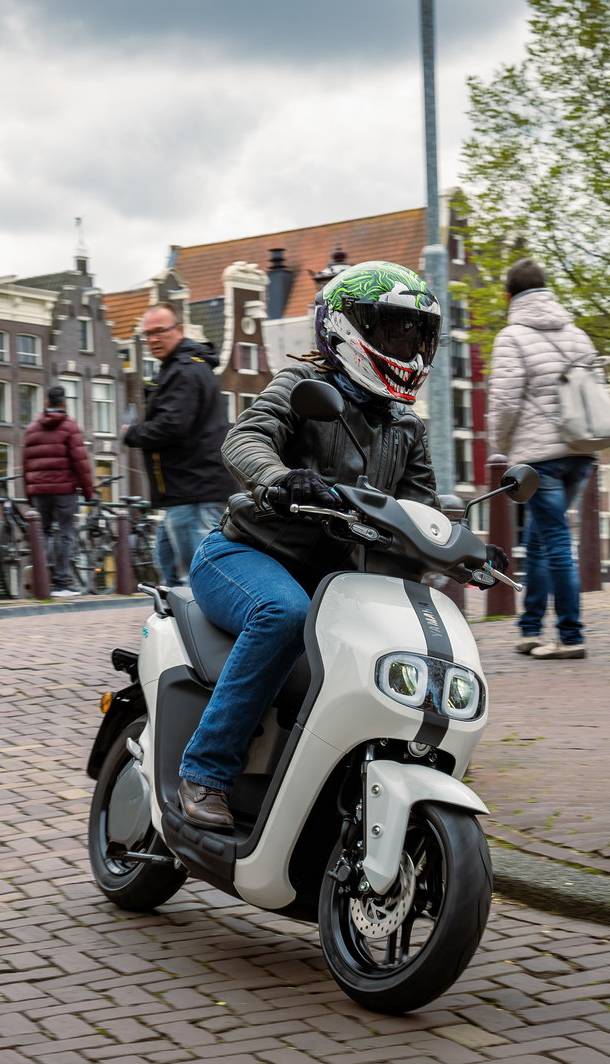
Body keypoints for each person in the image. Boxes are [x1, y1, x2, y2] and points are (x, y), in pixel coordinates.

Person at [177, 262, 441, 830]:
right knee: (283, 613)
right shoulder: (299, 388)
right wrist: (278, 479)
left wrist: (461, 545)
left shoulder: (407, 426)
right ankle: (205, 771)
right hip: (244, 555)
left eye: (418, 334)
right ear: (349, 329)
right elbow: (244, 438)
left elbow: (422, 508)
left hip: (332, 580)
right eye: (396, 331)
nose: (409, 347)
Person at [485, 257, 599, 661]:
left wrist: (499, 445)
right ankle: (530, 629)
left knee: (553, 542)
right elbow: (596, 387)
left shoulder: (512, 337)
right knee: (537, 540)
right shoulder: (578, 334)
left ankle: (571, 635)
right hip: (580, 451)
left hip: (540, 457)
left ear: (509, 295)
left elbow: (504, 399)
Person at [122, 302, 236, 585]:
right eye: (147, 334)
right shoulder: (179, 368)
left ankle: (209, 627)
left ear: (180, 330)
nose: (153, 340)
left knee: (195, 580)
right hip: (185, 492)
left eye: (160, 331)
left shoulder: (184, 371)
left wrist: (132, 432)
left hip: (194, 491)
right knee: (171, 575)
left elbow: (172, 425)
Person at [22, 385, 95, 598]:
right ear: (64, 403)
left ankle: (42, 581)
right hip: (64, 490)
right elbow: (81, 462)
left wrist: (29, 493)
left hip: (39, 492)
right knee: (66, 534)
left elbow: (25, 463)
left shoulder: (32, 427)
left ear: (46, 403)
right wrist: (88, 492)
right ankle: (62, 582)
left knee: (42, 533)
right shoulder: (70, 426)